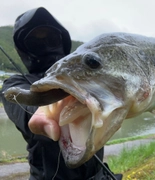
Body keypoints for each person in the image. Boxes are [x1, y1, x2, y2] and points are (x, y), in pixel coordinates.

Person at [1, 7, 122, 180]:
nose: (45, 45)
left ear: (61, 41)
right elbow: (25, 111)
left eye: (51, 38)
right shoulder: (13, 84)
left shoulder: (89, 75)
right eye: (35, 41)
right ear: (24, 49)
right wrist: (45, 106)